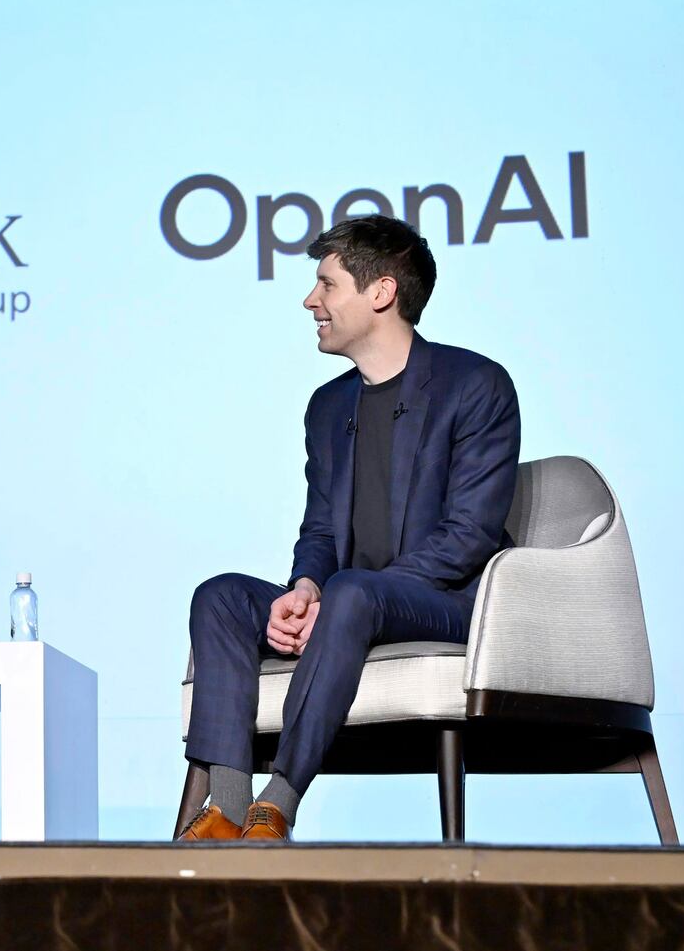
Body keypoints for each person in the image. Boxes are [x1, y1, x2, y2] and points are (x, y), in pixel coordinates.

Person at [176, 216, 520, 841]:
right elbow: (320, 531)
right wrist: (307, 589)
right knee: (222, 596)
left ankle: (277, 804)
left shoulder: (477, 385)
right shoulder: (328, 406)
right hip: (348, 598)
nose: (311, 301)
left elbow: (469, 535)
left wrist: (343, 598)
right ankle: (228, 808)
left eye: (326, 285)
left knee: (353, 592)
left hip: (445, 602)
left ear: (381, 294)